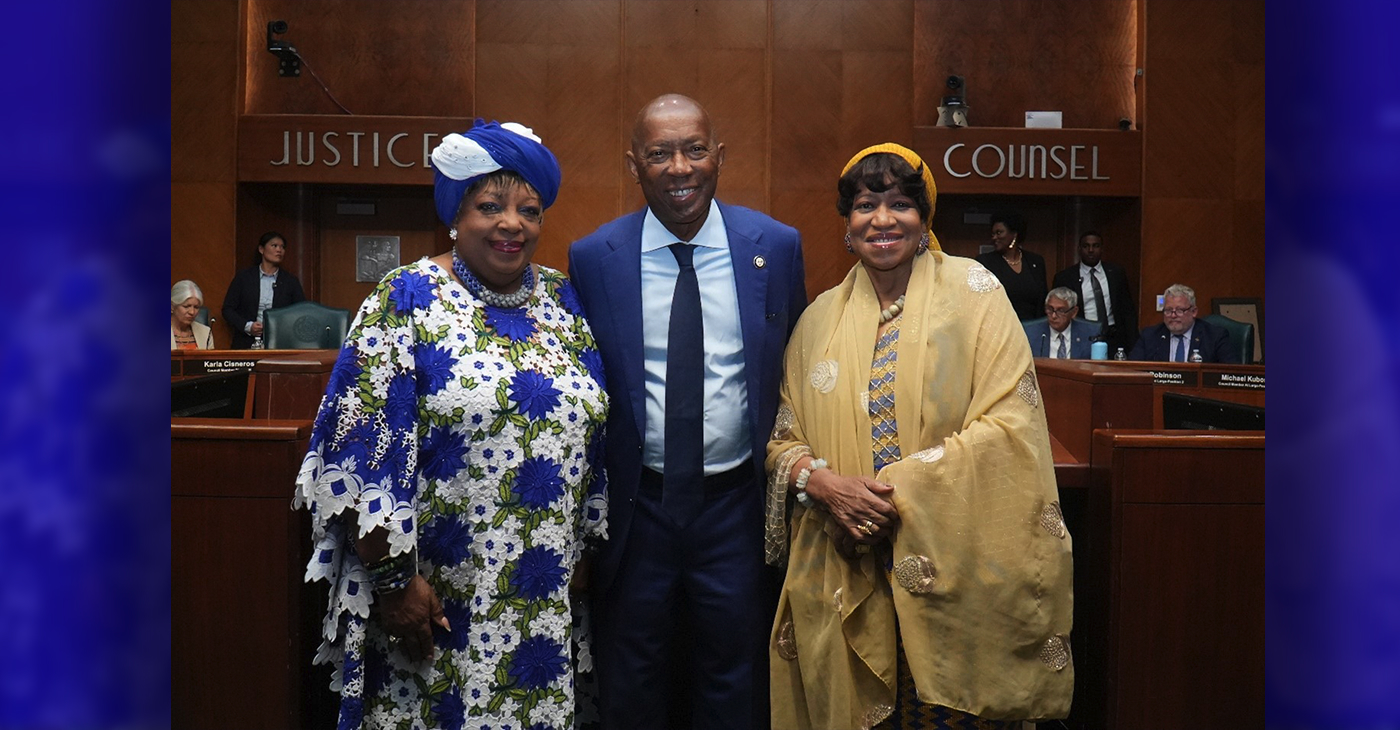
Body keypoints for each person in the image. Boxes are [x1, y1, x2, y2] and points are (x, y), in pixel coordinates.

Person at [293, 120, 609, 730]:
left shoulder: (564, 300)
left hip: (539, 600)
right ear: (455, 215)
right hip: (434, 597)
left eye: (528, 209)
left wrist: (581, 559)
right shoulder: (406, 296)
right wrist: (392, 583)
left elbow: (595, 438)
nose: (511, 224)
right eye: (490, 206)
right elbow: (361, 447)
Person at [765, 143, 1073, 729]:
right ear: (846, 225)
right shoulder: (816, 320)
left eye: (901, 203)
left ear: (926, 216)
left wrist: (888, 491)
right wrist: (827, 486)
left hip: (958, 564)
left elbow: (1011, 424)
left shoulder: (974, 293)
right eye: (865, 205)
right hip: (845, 562)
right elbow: (785, 437)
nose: (882, 219)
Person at [567, 94, 807, 729]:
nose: (679, 168)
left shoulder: (775, 247)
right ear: (634, 165)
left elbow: (796, 372)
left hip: (736, 506)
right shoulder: (594, 258)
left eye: (694, 150)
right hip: (635, 509)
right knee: (632, 679)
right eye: (659, 154)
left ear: (719, 157)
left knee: (737, 679)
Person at [1052, 230, 1137, 353]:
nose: (1091, 250)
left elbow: (1127, 310)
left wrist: (1133, 342)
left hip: (1114, 338)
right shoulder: (1065, 278)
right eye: (1086, 246)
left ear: (1102, 249)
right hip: (1082, 337)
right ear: (1079, 249)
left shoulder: (1116, 273)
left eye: (1095, 246)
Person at [221, 230, 306, 348]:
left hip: (280, 343)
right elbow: (228, 309)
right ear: (261, 249)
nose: (279, 250)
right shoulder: (244, 277)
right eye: (274, 246)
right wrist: (248, 326)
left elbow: (301, 312)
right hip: (246, 342)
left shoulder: (290, 281)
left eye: (282, 247)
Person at [1128, 283, 1231, 362]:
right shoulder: (1150, 336)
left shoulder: (1215, 336)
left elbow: (1231, 375)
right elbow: (1132, 370)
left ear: (1194, 312)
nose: (1173, 316)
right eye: (1168, 311)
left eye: (1179, 311)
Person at [974, 212, 1046, 321]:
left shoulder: (1035, 261)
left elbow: (1042, 300)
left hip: (1033, 329)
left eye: (999, 233)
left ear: (1014, 234)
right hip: (1001, 329)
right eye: (993, 234)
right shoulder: (985, 262)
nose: (994, 237)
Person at [1024, 287, 1101, 359]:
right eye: (1050, 309)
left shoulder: (1090, 333)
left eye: (1061, 311)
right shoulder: (1030, 333)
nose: (1054, 316)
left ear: (1074, 312)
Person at [170, 280, 214, 350]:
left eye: (196, 307)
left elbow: (209, 360)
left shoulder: (205, 333)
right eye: (186, 306)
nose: (192, 312)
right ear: (172, 306)